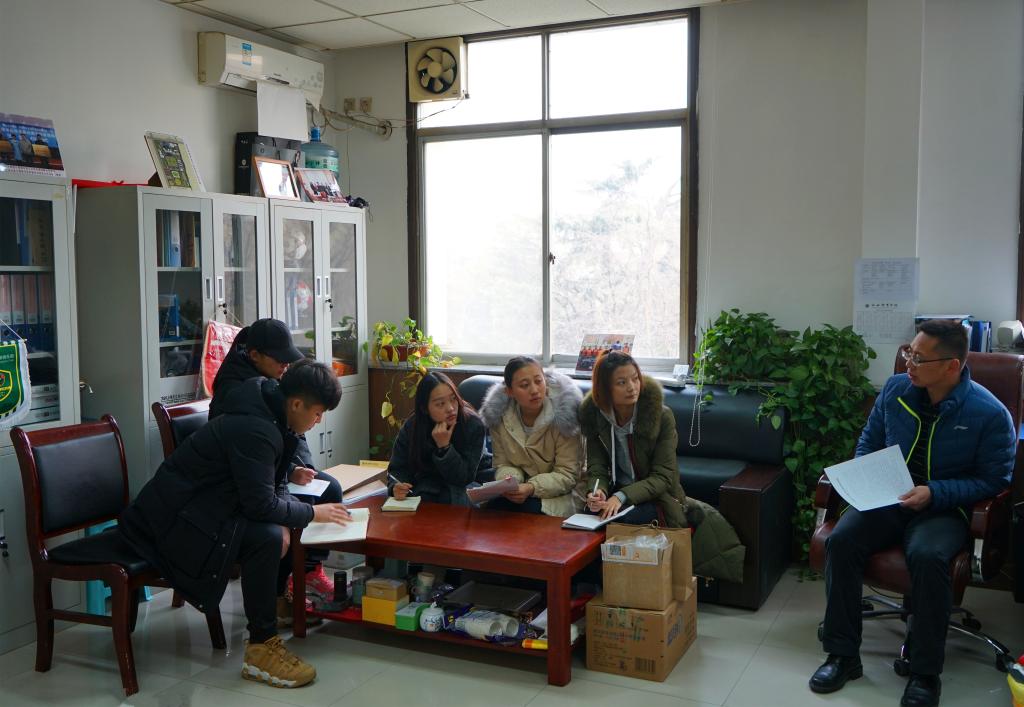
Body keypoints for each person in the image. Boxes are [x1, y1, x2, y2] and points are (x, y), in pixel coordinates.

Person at [809, 319, 1015, 707]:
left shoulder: (989, 413)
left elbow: (994, 480)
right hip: (890, 497)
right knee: (842, 540)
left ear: (951, 366)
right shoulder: (896, 390)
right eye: (909, 352)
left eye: (919, 358)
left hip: (943, 507)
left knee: (927, 554)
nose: (909, 364)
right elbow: (870, 441)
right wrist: (867, 476)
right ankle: (842, 656)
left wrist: (934, 492)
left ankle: (924, 674)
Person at [120, 360, 350, 689]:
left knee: (279, 527)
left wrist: (287, 516)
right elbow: (259, 504)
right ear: (297, 404)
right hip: (170, 522)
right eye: (317, 413)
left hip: (207, 509)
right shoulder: (257, 427)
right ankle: (261, 648)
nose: (319, 421)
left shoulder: (272, 411)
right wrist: (313, 515)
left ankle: (270, 617)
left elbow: (272, 479)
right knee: (267, 537)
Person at [210, 318, 343, 609]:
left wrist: (301, 468)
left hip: (275, 472)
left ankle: (309, 571)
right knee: (291, 515)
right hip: (243, 484)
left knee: (329, 488)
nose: (285, 365)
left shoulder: (274, 379)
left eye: (287, 359)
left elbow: (292, 433)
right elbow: (249, 455)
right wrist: (289, 472)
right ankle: (280, 590)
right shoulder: (234, 393)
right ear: (255, 355)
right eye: (279, 359)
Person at [578, 350, 690, 526]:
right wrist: (597, 491)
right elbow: (597, 467)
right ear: (604, 388)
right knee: (588, 516)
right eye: (621, 382)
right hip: (616, 493)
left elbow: (662, 477)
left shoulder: (661, 417)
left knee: (622, 520)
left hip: (659, 498)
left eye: (635, 378)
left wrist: (621, 496)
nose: (632, 387)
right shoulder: (594, 416)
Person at [478, 356, 585, 516]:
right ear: (509, 391)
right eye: (524, 385)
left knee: (523, 511)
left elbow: (567, 475)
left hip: (563, 494)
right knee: (495, 508)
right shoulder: (499, 416)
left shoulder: (565, 417)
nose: (534, 390)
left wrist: (531, 487)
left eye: (538, 381)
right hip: (522, 491)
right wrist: (511, 482)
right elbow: (502, 463)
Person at [387, 371, 485, 505]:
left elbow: (464, 478)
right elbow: (398, 468)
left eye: (453, 399)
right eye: (440, 404)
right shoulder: (413, 426)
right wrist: (397, 486)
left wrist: (444, 449)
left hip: (465, 488)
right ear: (424, 408)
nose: (450, 408)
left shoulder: (473, 424)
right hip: (425, 490)